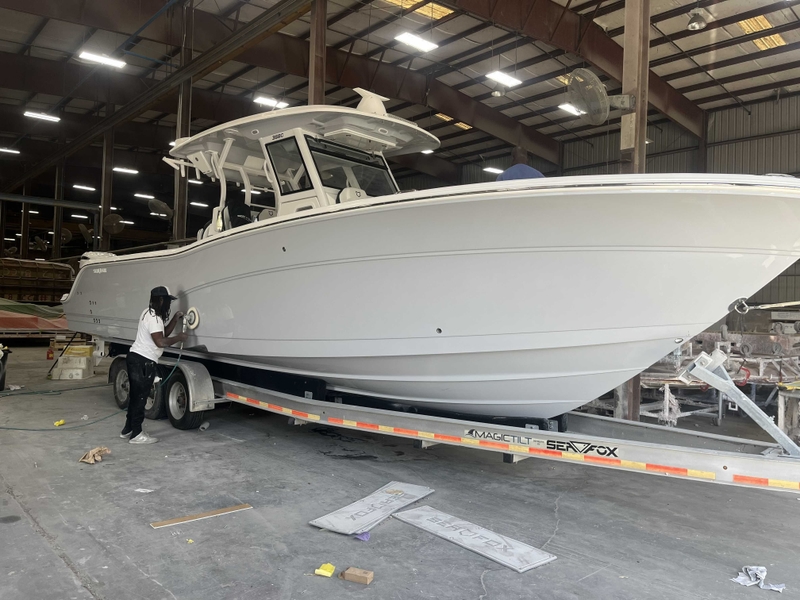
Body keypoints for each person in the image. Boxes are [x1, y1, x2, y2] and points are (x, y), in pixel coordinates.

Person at [121, 286, 187, 444]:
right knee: (140, 398)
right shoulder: (154, 318)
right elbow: (160, 342)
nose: (169, 306)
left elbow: (162, 333)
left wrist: (175, 319)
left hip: (136, 358)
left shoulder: (148, 313)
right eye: (168, 302)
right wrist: (179, 338)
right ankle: (136, 434)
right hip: (143, 362)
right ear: (161, 300)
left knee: (135, 396)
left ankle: (128, 429)